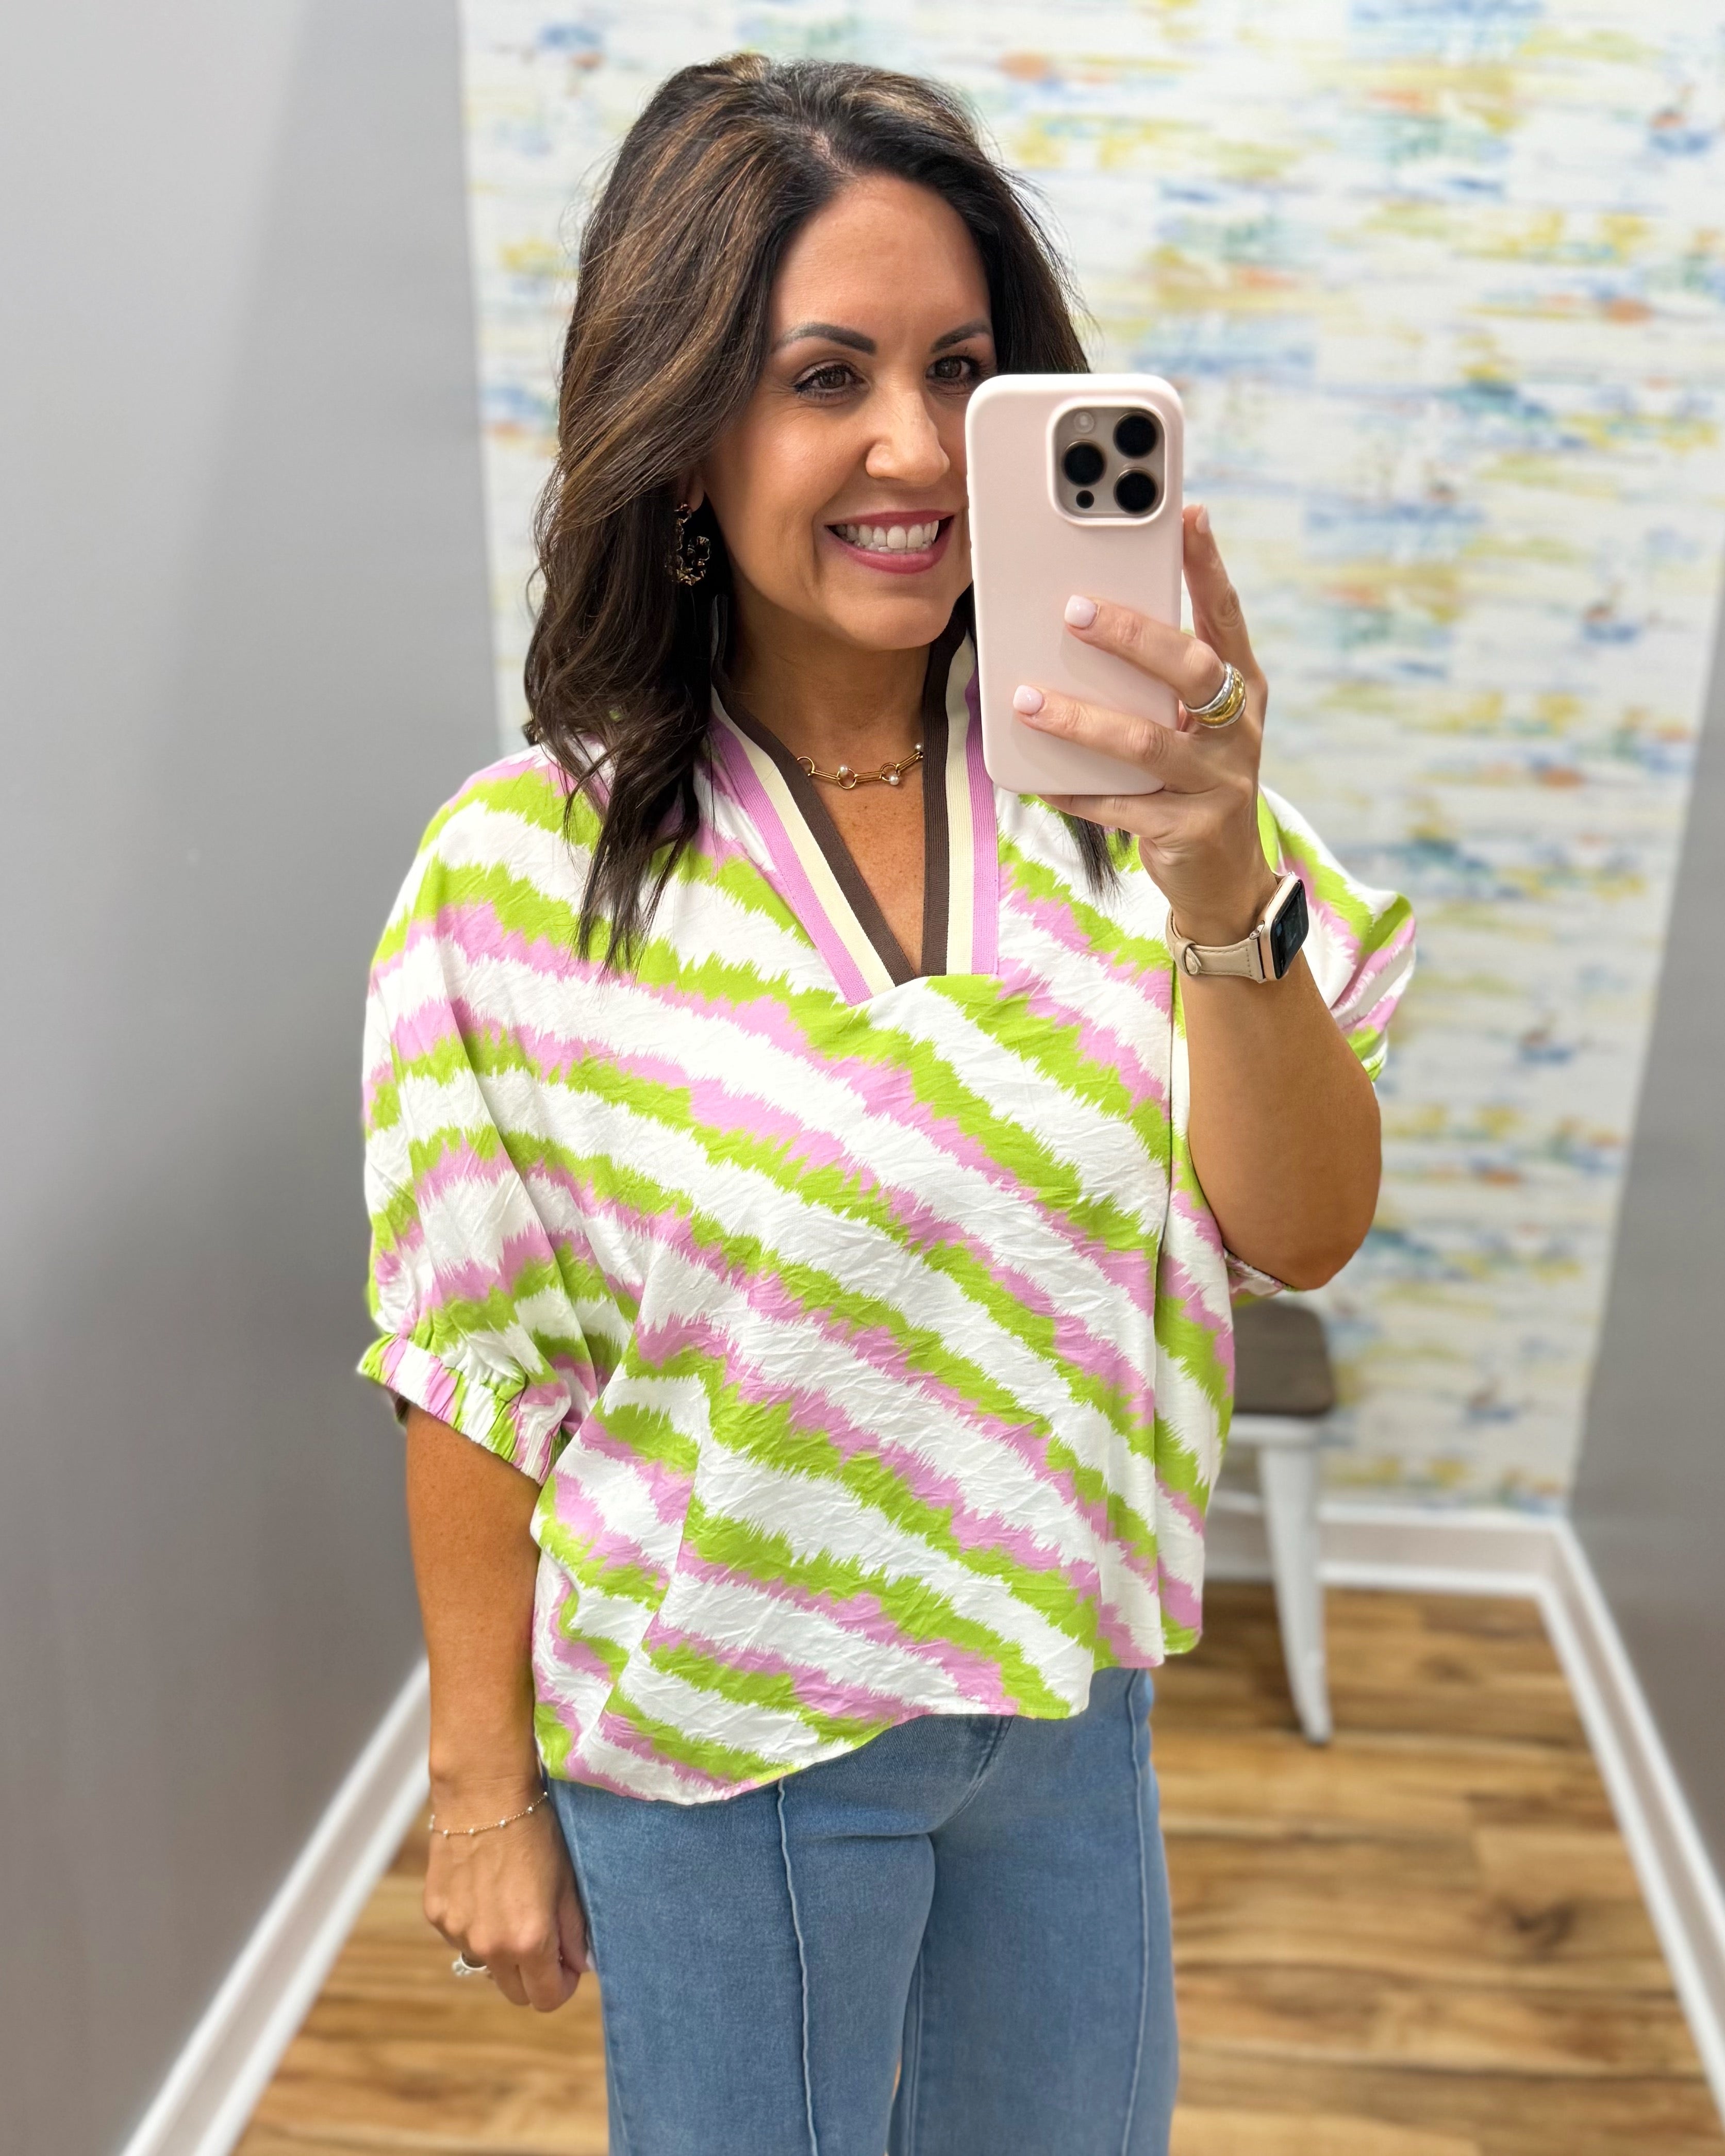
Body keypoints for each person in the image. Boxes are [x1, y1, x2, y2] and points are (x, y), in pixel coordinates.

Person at [359, 52, 1414, 2156]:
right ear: (681, 435)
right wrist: (480, 1783)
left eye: (963, 369)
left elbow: (1300, 1229)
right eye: (822, 374)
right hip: (720, 1753)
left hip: (1065, 1720)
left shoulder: (1151, 803)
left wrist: (1220, 882)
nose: (913, 447)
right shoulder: (517, 878)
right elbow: (477, 1359)